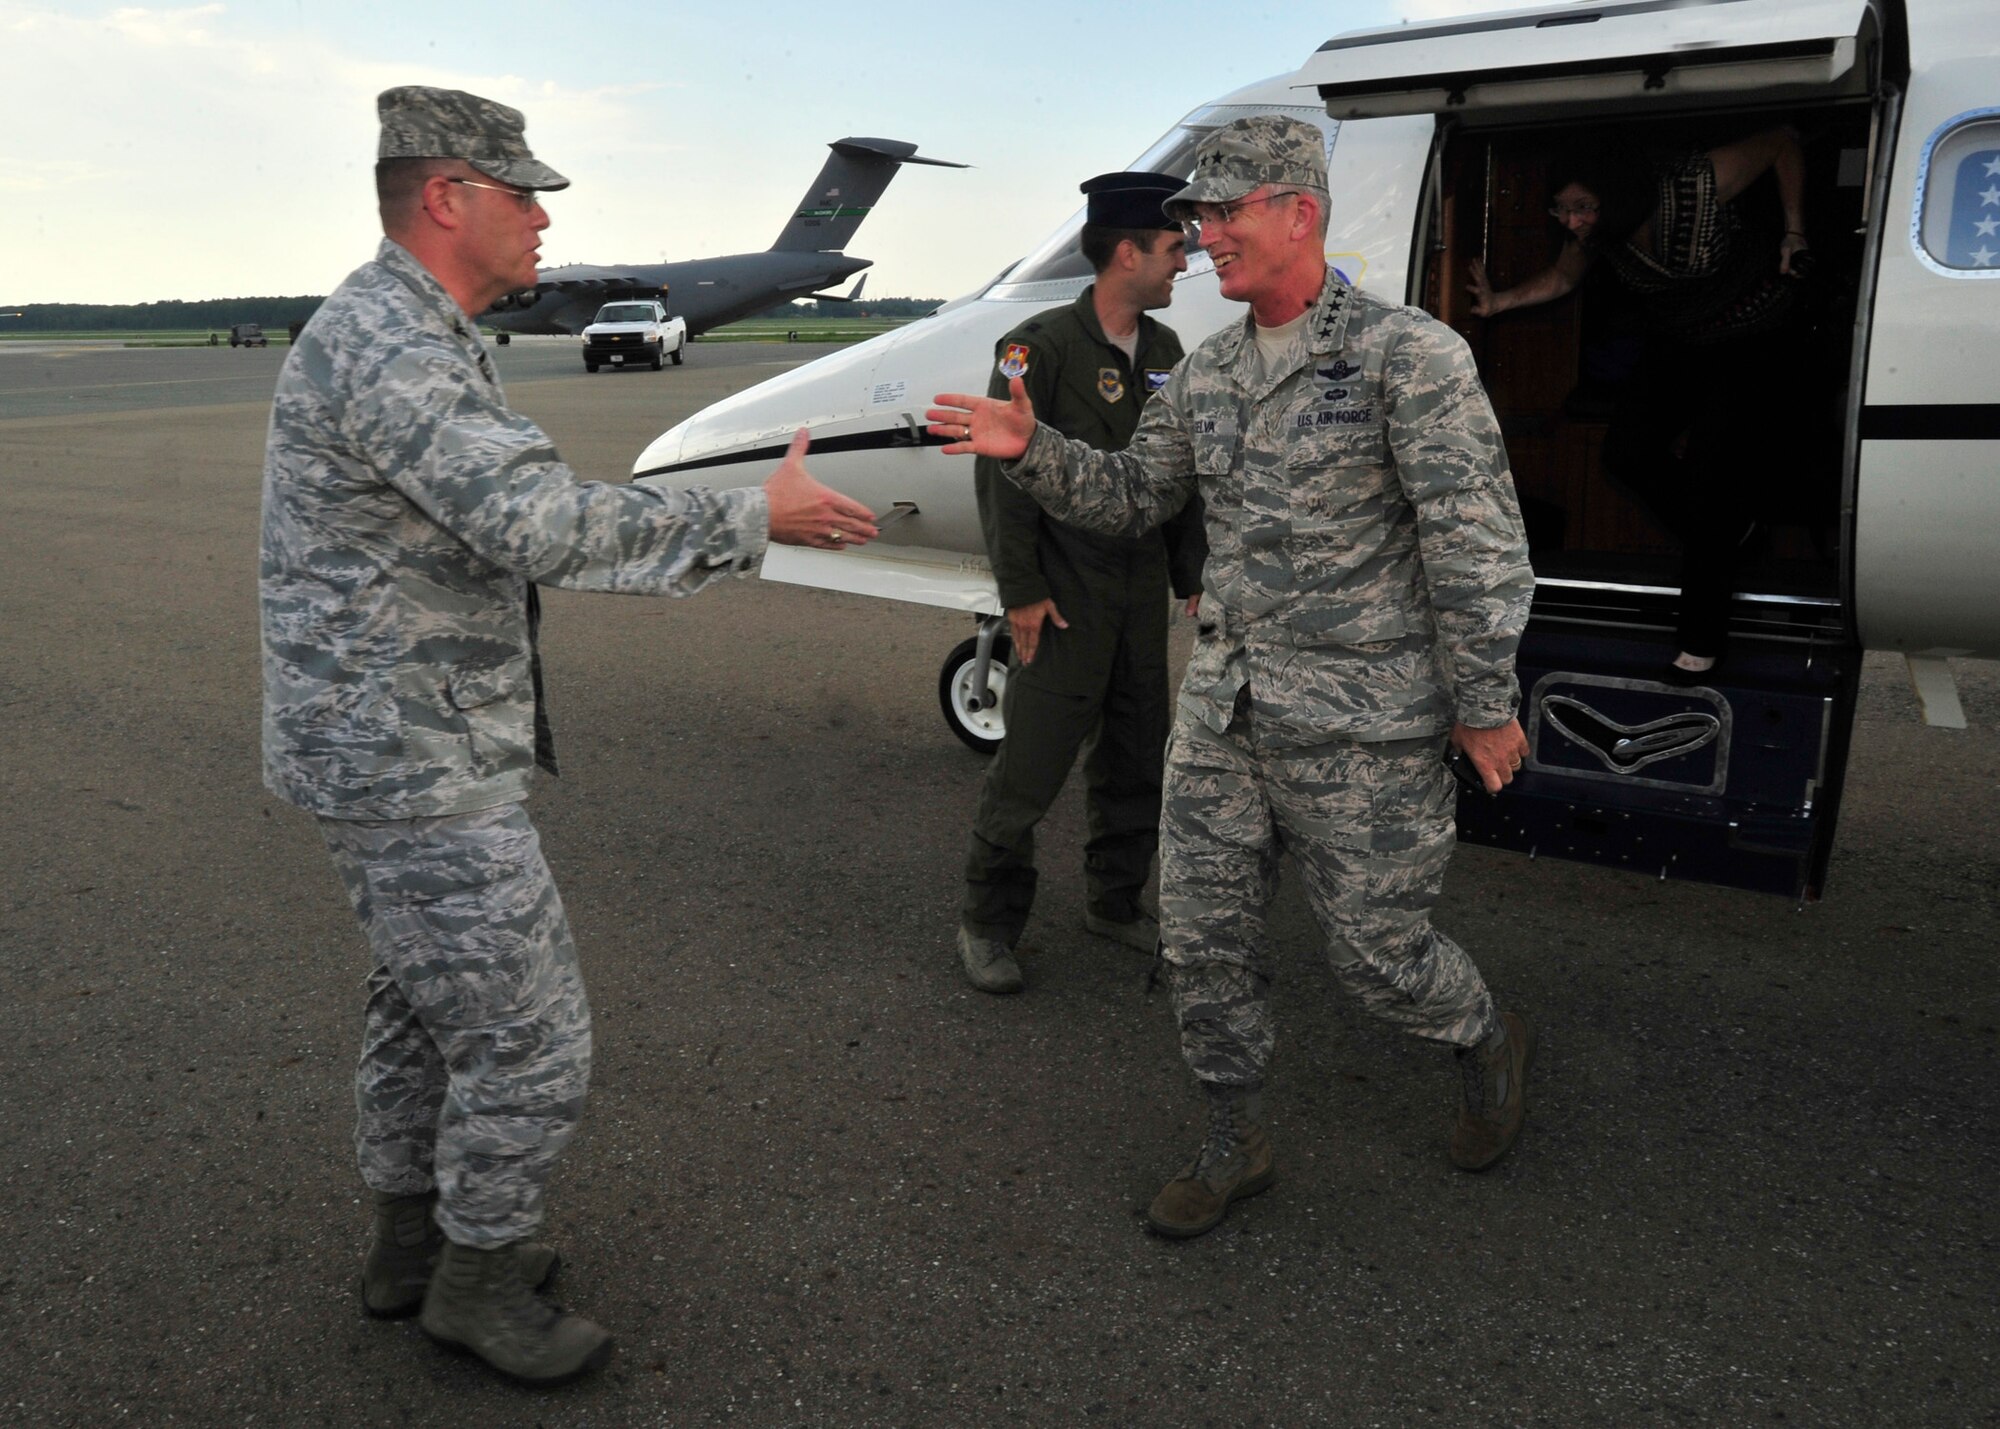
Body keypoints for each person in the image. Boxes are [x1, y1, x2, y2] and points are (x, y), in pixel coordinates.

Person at [260, 86, 875, 1384]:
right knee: (530, 1036)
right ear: (447, 199)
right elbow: (545, 525)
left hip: (399, 738)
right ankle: (475, 1279)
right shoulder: (396, 350)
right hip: (407, 755)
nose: (542, 218)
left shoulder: (409, 332)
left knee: (420, 1007)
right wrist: (752, 517)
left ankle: (410, 1248)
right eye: (521, 192)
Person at [928, 116, 1538, 1238]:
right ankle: (1233, 1135)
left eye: (1221, 212)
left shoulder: (1406, 357)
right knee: (1201, 944)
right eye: (1191, 221)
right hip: (1224, 716)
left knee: (1377, 959)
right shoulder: (1203, 372)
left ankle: (1479, 1032)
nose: (1201, 236)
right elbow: (1132, 497)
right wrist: (1033, 451)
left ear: (1296, 212)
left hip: (1362, 725)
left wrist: (1484, 705)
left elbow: (1476, 544)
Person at [957, 170, 1206, 995]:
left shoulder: (1167, 353)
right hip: (1064, 596)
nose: (1185, 260)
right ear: (1126, 252)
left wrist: (1191, 576)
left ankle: (1114, 900)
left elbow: (1179, 479)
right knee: (1029, 768)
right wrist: (1020, 588)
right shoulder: (1038, 349)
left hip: (1137, 596)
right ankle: (988, 923)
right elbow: (1003, 476)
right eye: (1173, 247)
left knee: (1138, 758)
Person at [1467, 129, 1816, 677]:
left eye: (1582, 208)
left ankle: (1700, 643)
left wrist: (1795, 229)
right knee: (1626, 454)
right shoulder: (1596, 233)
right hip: (1681, 339)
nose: (1571, 221)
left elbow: (1780, 142)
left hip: (1752, 335)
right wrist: (1498, 302)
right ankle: (1731, 537)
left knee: (1710, 479)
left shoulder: (1695, 183)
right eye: (1561, 208)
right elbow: (1562, 277)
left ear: (1618, 192)